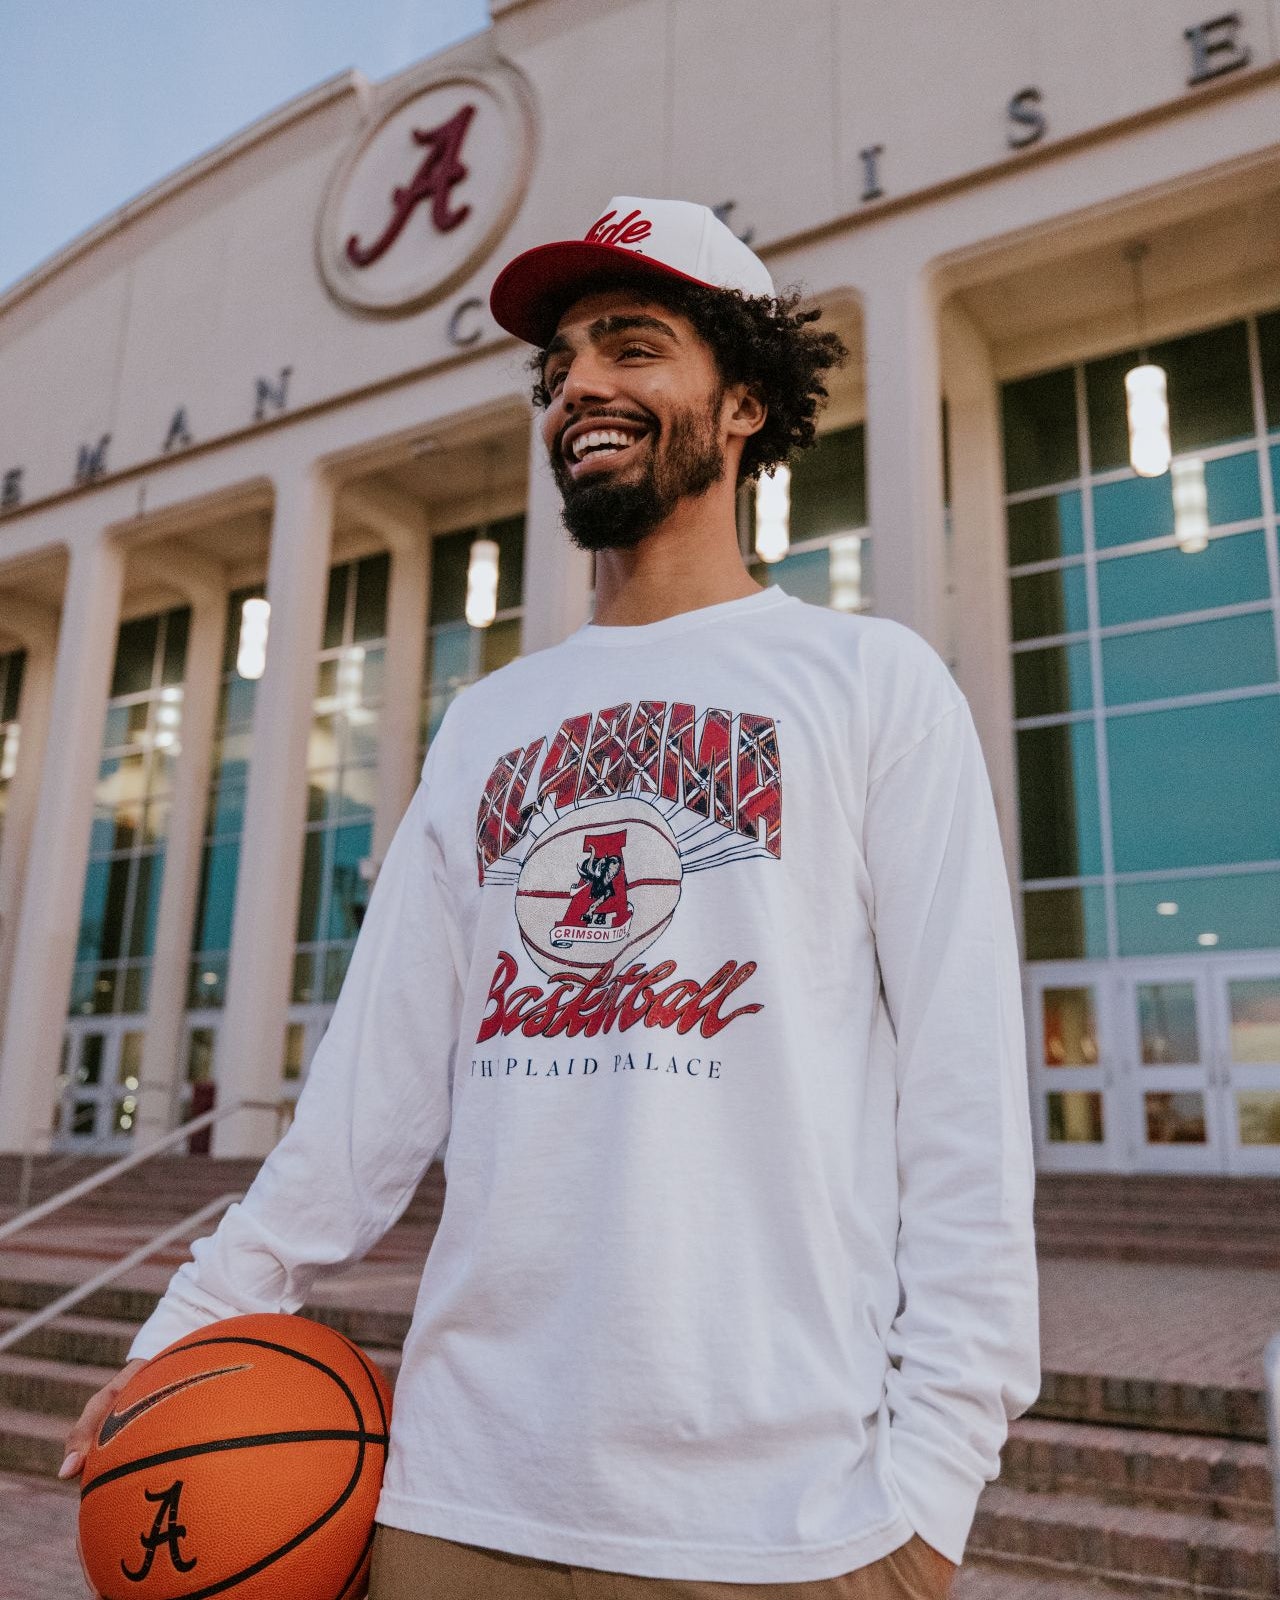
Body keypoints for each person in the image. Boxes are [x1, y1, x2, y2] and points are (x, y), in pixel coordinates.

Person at [63, 196, 1040, 1599]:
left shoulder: (871, 685)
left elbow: (965, 1118)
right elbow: (360, 1111)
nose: (580, 384)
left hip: (783, 1525)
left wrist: (934, 1491)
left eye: (633, 347)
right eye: (561, 364)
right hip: (460, 1506)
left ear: (747, 403)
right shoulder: (489, 723)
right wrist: (182, 1342)